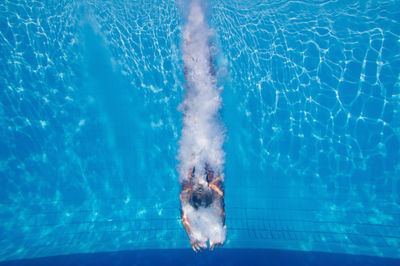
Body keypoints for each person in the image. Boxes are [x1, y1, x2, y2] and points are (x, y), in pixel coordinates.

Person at [180, 166, 225, 252]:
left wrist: (192, 237)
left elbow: (184, 216)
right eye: (201, 192)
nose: (200, 190)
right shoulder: (215, 187)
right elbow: (221, 211)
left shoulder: (187, 187)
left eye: (198, 192)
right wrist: (218, 232)